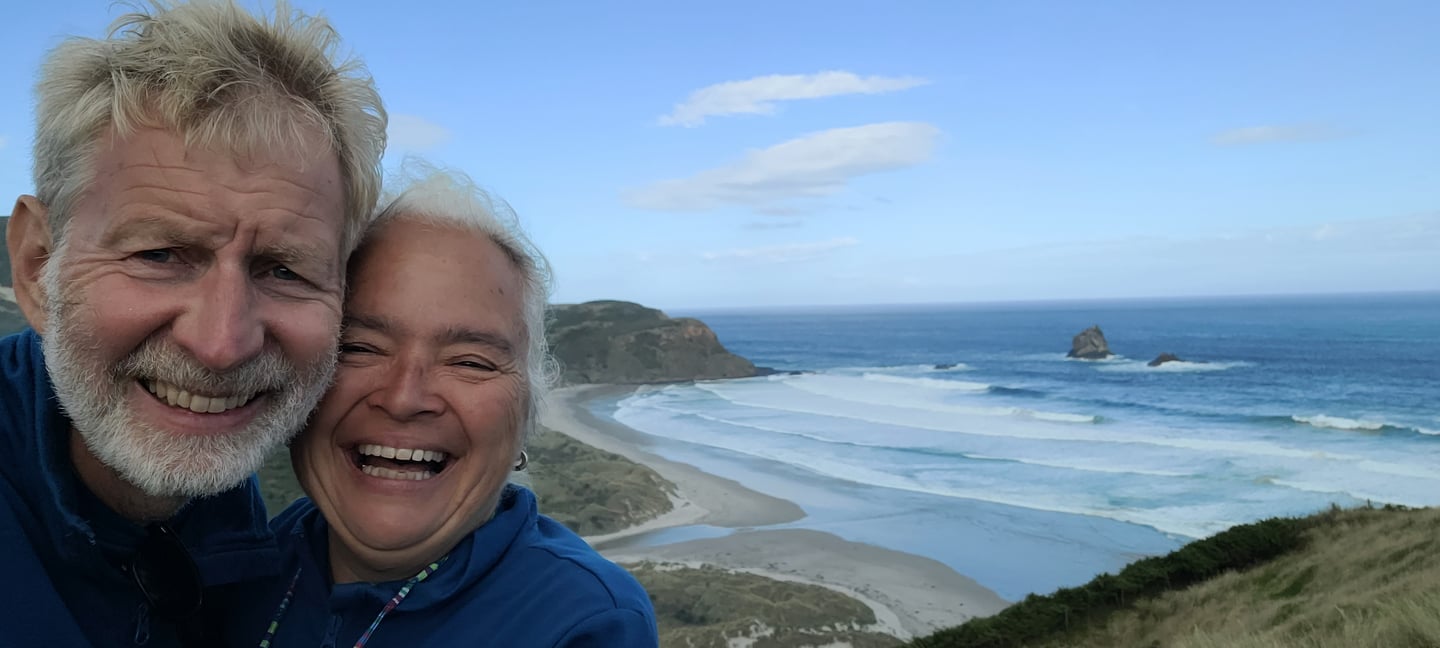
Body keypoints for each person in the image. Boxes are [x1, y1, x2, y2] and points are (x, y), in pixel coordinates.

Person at [0, 2, 386, 646]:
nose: (221, 345)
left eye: (284, 270)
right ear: (38, 267)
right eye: (159, 255)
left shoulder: (233, 525)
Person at [220, 167, 659, 647]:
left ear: (526, 414)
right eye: (358, 348)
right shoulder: (235, 563)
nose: (404, 398)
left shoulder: (585, 623)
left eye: (469, 362)